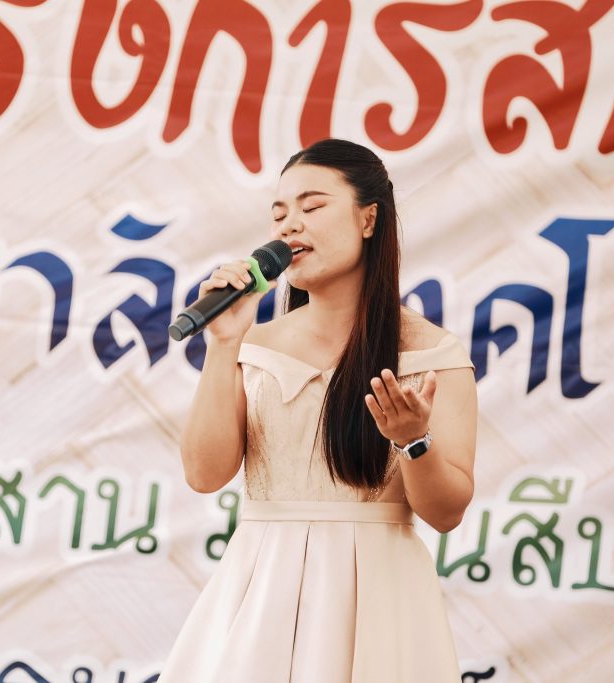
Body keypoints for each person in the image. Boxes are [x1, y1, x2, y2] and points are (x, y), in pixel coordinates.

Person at [158, 138, 477, 682]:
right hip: (262, 596)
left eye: (312, 206)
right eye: (279, 214)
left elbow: (446, 513)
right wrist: (224, 344)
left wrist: (412, 440)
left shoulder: (433, 354)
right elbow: (204, 474)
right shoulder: (253, 345)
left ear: (368, 219)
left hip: (377, 600)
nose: (290, 226)